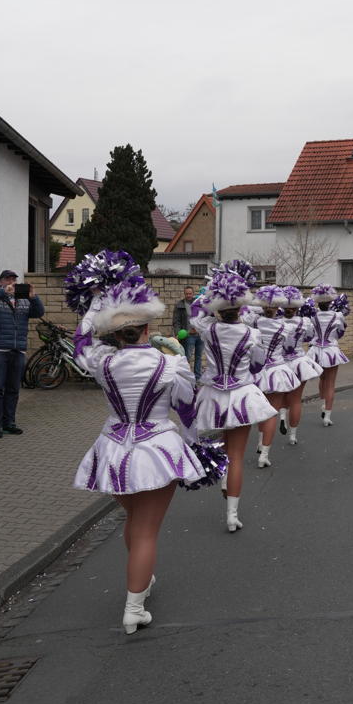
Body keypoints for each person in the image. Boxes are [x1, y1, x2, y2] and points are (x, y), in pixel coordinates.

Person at [69, 257, 210, 633]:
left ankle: (141, 579)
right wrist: (195, 444)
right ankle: (134, 607)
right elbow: (186, 408)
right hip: (157, 448)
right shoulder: (170, 365)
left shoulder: (104, 363)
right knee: (147, 529)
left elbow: (79, 341)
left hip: (112, 449)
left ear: (116, 335)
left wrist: (96, 302)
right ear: (147, 328)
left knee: (134, 520)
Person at [191, 267, 277, 530]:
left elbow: (197, 309)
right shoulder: (252, 334)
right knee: (237, 454)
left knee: (227, 446)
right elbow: (259, 365)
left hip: (214, 394)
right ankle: (231, 516)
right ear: (241, 307)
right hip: (241, 395)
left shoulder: (208, 329)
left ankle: (226, 478)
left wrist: (211, 288)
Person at [253, 285, 323, 452]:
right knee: (296, 399)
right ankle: (292, 435)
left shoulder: (266, 322)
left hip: (275, 365)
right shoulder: (303, 322)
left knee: (267, 403)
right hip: (297, 362)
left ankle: (263, 439)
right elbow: (308, 338)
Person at [0, 269, 44, 438]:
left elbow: (39, 313)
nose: (11, 282)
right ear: (0, 281)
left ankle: (9, 422)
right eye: (8, 279)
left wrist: (33, 296)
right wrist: (2, 292)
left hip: (18, 349)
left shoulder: (23, 300)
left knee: (13, 389)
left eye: (14, 280)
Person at [307, 285, 349, 426]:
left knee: (322, 378)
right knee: (330, 383)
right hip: (331, 350)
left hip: (316, 350)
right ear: (330, 302)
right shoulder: (338, 315)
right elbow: (340, 333)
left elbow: (310, 334)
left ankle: (323, 403)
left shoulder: (313, 315)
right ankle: (327, 416)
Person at [172, 285, 203, 378]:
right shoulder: (179, 305)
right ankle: (186, 377)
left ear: (193, 293)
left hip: (200, 334)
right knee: (187, 358)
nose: (188, 295)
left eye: (190, 293)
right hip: (188, 335)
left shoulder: (199, 303)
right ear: (184, 294)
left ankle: (198, 377)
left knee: (199, 357)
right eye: (186, 294)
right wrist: (178, 333)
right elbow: (176, 321)